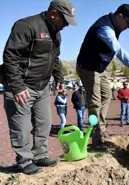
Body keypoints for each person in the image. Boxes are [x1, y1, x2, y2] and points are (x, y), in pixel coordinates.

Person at [2, 0, 76, 175]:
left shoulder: (57, 33)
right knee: (21, 126)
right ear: (53, 14)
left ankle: (40, 155)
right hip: (22, 86)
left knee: (44, 123)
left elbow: (55, 59)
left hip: (42, 87)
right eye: (64, 19)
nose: (66, 24)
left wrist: (59, 77)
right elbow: (10, 56)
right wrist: (17, 86)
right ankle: (24, 160)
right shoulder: (26, 26)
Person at [76, 4, 129, 150]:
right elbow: (118, 51)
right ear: (119, 16)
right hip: (87, 68)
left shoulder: (114, 25)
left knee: (106, 96)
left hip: (99, 68)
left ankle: (101, 128)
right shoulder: (104, 28)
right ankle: (96, 140)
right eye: (128, 22)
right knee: (94, 102)